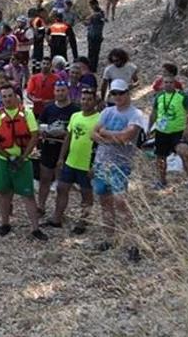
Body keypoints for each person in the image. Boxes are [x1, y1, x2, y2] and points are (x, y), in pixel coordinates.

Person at [91, 79, 145, 260]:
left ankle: (132, 243)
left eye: (121, 93)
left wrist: (105, 133)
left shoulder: (135, 114)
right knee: (104, 200)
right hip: (102, 162)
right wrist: (109, 137)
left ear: (128, 93)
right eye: (114, 93)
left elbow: (126, 136)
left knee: (121, 202)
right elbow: (93, 133)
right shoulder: (107, 111)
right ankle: (110, 238)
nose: (118, 97)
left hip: (120, 164)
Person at [0, 85, 47, 241]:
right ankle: (5, 224)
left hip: (23, 160)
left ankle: (35, 228)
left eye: (10, 95)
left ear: (16, 96)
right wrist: (8, 156)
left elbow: (34, 136)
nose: (7, 99)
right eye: (4, 96)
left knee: (28, 194)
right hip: (2, 160)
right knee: (4, 193)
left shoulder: (27, 114)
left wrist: (22, 157)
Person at [49, 88, 100, 233]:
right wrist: (61, 157)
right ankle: (57, 218)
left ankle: (83, 221)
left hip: (87, 164)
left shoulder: (100, 119)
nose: (85, 102)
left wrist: (95, 165)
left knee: (86, 194)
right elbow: (68, 137)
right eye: (83, 99)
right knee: (61, 188)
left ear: (95, 101)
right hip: (71, 161)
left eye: (89, 99)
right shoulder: (75, 116)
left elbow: (101, 144)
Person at [36, 81, 79, 214]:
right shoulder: (48, 108)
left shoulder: (75, 110)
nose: (60, 93)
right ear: (54, 92)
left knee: (62, 185)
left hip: (66, 150)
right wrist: (42, 131)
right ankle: (41, 206)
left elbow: (78, 131)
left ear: (68, 91)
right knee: (44, 179)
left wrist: (65, 133)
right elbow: (40, 124)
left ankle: (58, 212)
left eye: (63, 90)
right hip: (49, 147)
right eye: (58, 90)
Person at [148, 74, 188, 191]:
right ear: (162, 84)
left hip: (178, 131)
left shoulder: (182, 96)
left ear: (175, 84)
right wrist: (149, 128)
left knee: (184, 153)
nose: (168, 84)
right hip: (162, 131)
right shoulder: (159, 97)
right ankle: (162, 181)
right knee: (160, 157)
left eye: (171, 82)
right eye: (166, 82)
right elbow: (154, 113)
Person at [85, 0, 106, 72]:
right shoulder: (96, 13)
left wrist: (89, 19)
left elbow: (91, 20)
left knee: (94, 52)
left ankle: (93, 68)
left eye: (91, 5)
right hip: (92, 34)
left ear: (95, 4)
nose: (91, 7)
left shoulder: (99, 14)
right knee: (91, 51)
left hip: (96, 35)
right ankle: (90, 66)